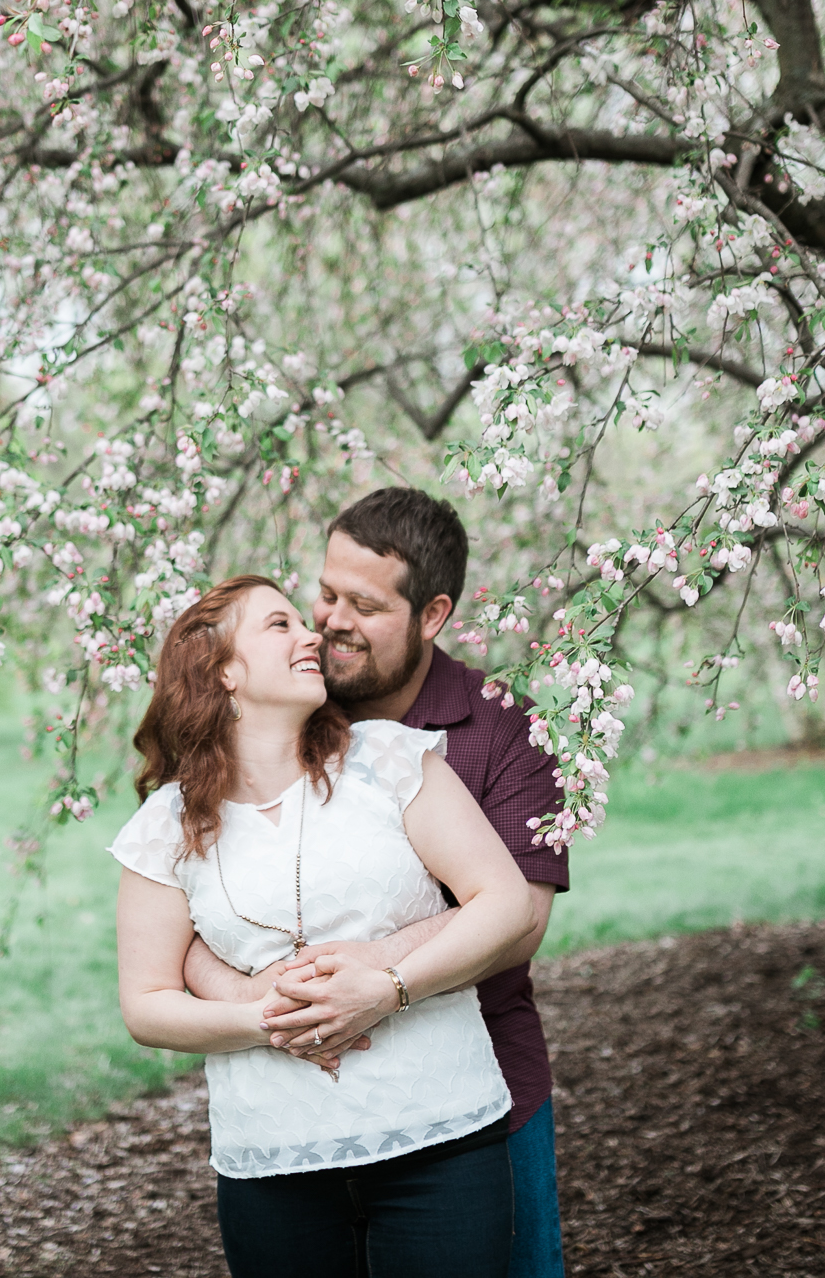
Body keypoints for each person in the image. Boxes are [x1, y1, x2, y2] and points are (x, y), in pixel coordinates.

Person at [182, 488, 570, 1278]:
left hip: (477, 1090)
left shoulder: (503, 730)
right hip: (292, 1100)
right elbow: (183, 909)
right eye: (324, 593)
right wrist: (277, 1005)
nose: (330, 620)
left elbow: (519, 917)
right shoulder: (271, 717)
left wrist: (372, 975)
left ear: (432, 614)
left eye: (363, 603)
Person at [111, 574, 535, 1278]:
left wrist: (388, 986)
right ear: (222, 670)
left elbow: (504, 899)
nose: (313, 635)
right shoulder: (166, 826)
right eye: (280, 626)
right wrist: (267, 1020)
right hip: (273, 1160)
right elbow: (146, 1003)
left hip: (440, 1140)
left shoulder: (391, 758)